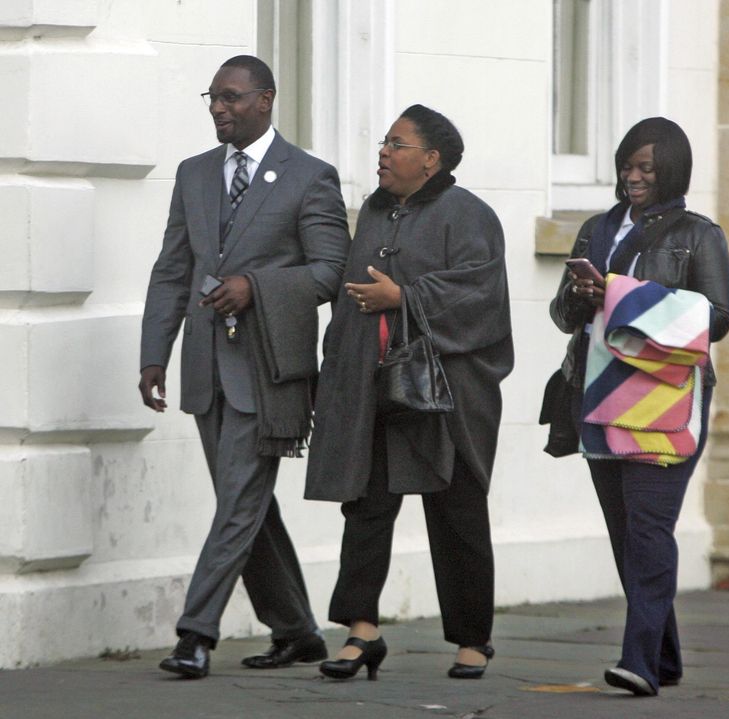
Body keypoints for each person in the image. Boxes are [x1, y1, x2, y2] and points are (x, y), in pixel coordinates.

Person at [138, 55, 350, 679]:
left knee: (237, 503)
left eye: (231, 98)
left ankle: (194, 633)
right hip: (206, 369)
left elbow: (329, 270)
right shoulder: (194, 174)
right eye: (213, 98)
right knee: (249, 503)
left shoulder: (310, 176)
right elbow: (173, 269)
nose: (218, 108)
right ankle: (297, 630)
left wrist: (256, 285)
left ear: (266, 99)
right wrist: (155, 352)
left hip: (269, 372)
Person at [304, 104, 514, 681]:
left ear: (431, 159)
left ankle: (473, 640)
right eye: (384, 143)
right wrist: (337, 381)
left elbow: (481, 297)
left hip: (446, 395)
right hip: (374, 388)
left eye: (397, 144)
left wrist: (406, 298)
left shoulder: (469, 214)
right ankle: (361, 631)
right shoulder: (373, 212)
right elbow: (351, 300)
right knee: (366, 506)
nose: (383, 153)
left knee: (458, 512)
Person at [549, 117, 729, 696]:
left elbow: (719, 317)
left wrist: (625, 298)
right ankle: (666, 655)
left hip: (668, 401)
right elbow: (562, 317)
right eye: (627, 166)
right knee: (628, 534)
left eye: (646, 169)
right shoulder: (596, 230)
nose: (633, 178)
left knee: (651, 529)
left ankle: (639, 662)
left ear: (671, 171)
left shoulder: (699, 235)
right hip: (600, 398)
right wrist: (581, 298)